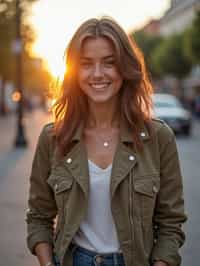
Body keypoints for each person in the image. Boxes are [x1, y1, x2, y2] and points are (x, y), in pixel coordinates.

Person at [26, 17, 187, 266]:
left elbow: (170, 223)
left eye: (109, 63)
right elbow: (39, 216)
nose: (98, 74)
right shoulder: (53, 138)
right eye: (87, 64)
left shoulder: (158, 138)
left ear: (125, 68)